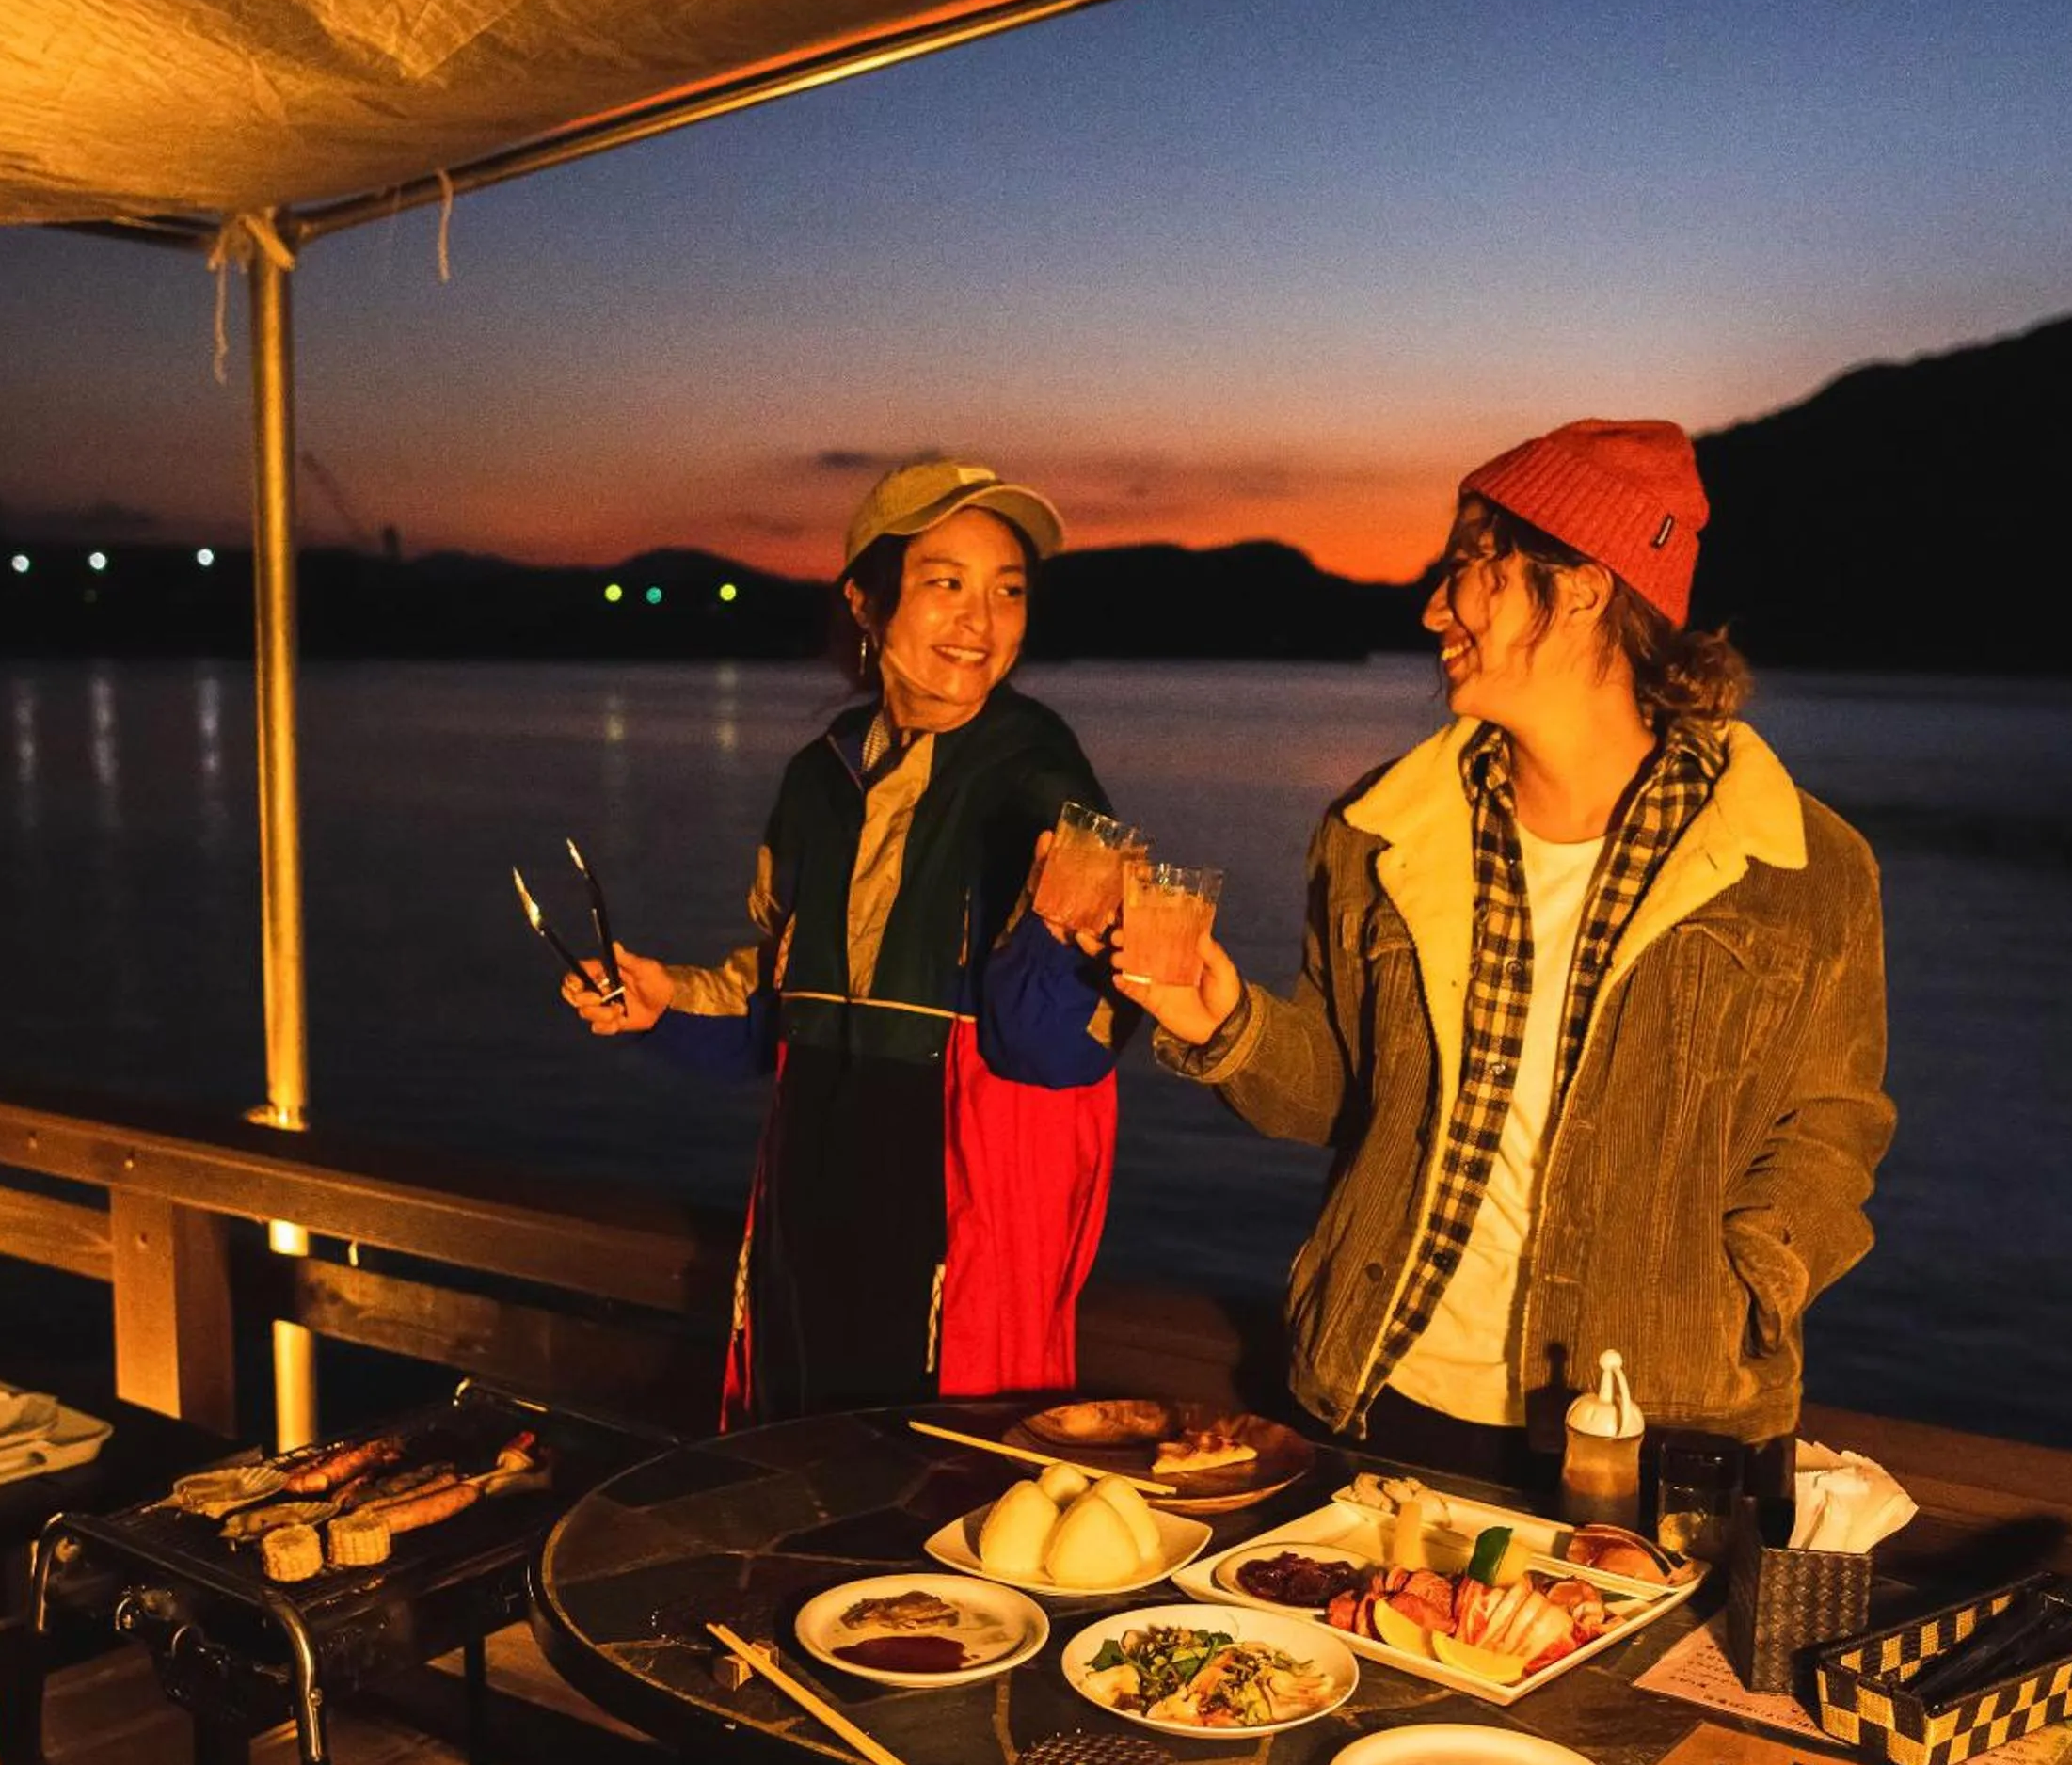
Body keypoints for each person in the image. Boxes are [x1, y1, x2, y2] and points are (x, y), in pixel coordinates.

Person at [1119, 420, 1893, 1480]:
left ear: (1579, 587)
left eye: (1470, 567)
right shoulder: (1377, 834)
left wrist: (1742, 1284)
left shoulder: (1800, 866)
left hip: (1663, 1427)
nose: (1434, 608)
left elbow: (1834, 1127)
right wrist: (1225, 1025)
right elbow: (1341, 1099)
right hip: (1385, 1394)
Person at [566, 457, 1125, 1423]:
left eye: (1008, 592)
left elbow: (1059, 1051)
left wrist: (1058, 932)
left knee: (936, 1471)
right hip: (813, 1172)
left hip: (957, 1187)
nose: (981, 623)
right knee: (795, 1437)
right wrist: (664, 1003)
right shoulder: (819, 780)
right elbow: (785, 1008)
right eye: (946, 584)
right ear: (866, 602)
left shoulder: (1038, 776)